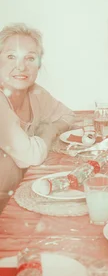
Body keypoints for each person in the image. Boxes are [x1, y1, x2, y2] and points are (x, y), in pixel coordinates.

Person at [0, 23, 74, 212]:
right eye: (11, 56)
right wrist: (49, 130)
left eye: (30, 58)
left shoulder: (34, 93)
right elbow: (31, 156)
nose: (21, 66)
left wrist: (53, 128)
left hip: (16, 200)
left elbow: (67, 115)